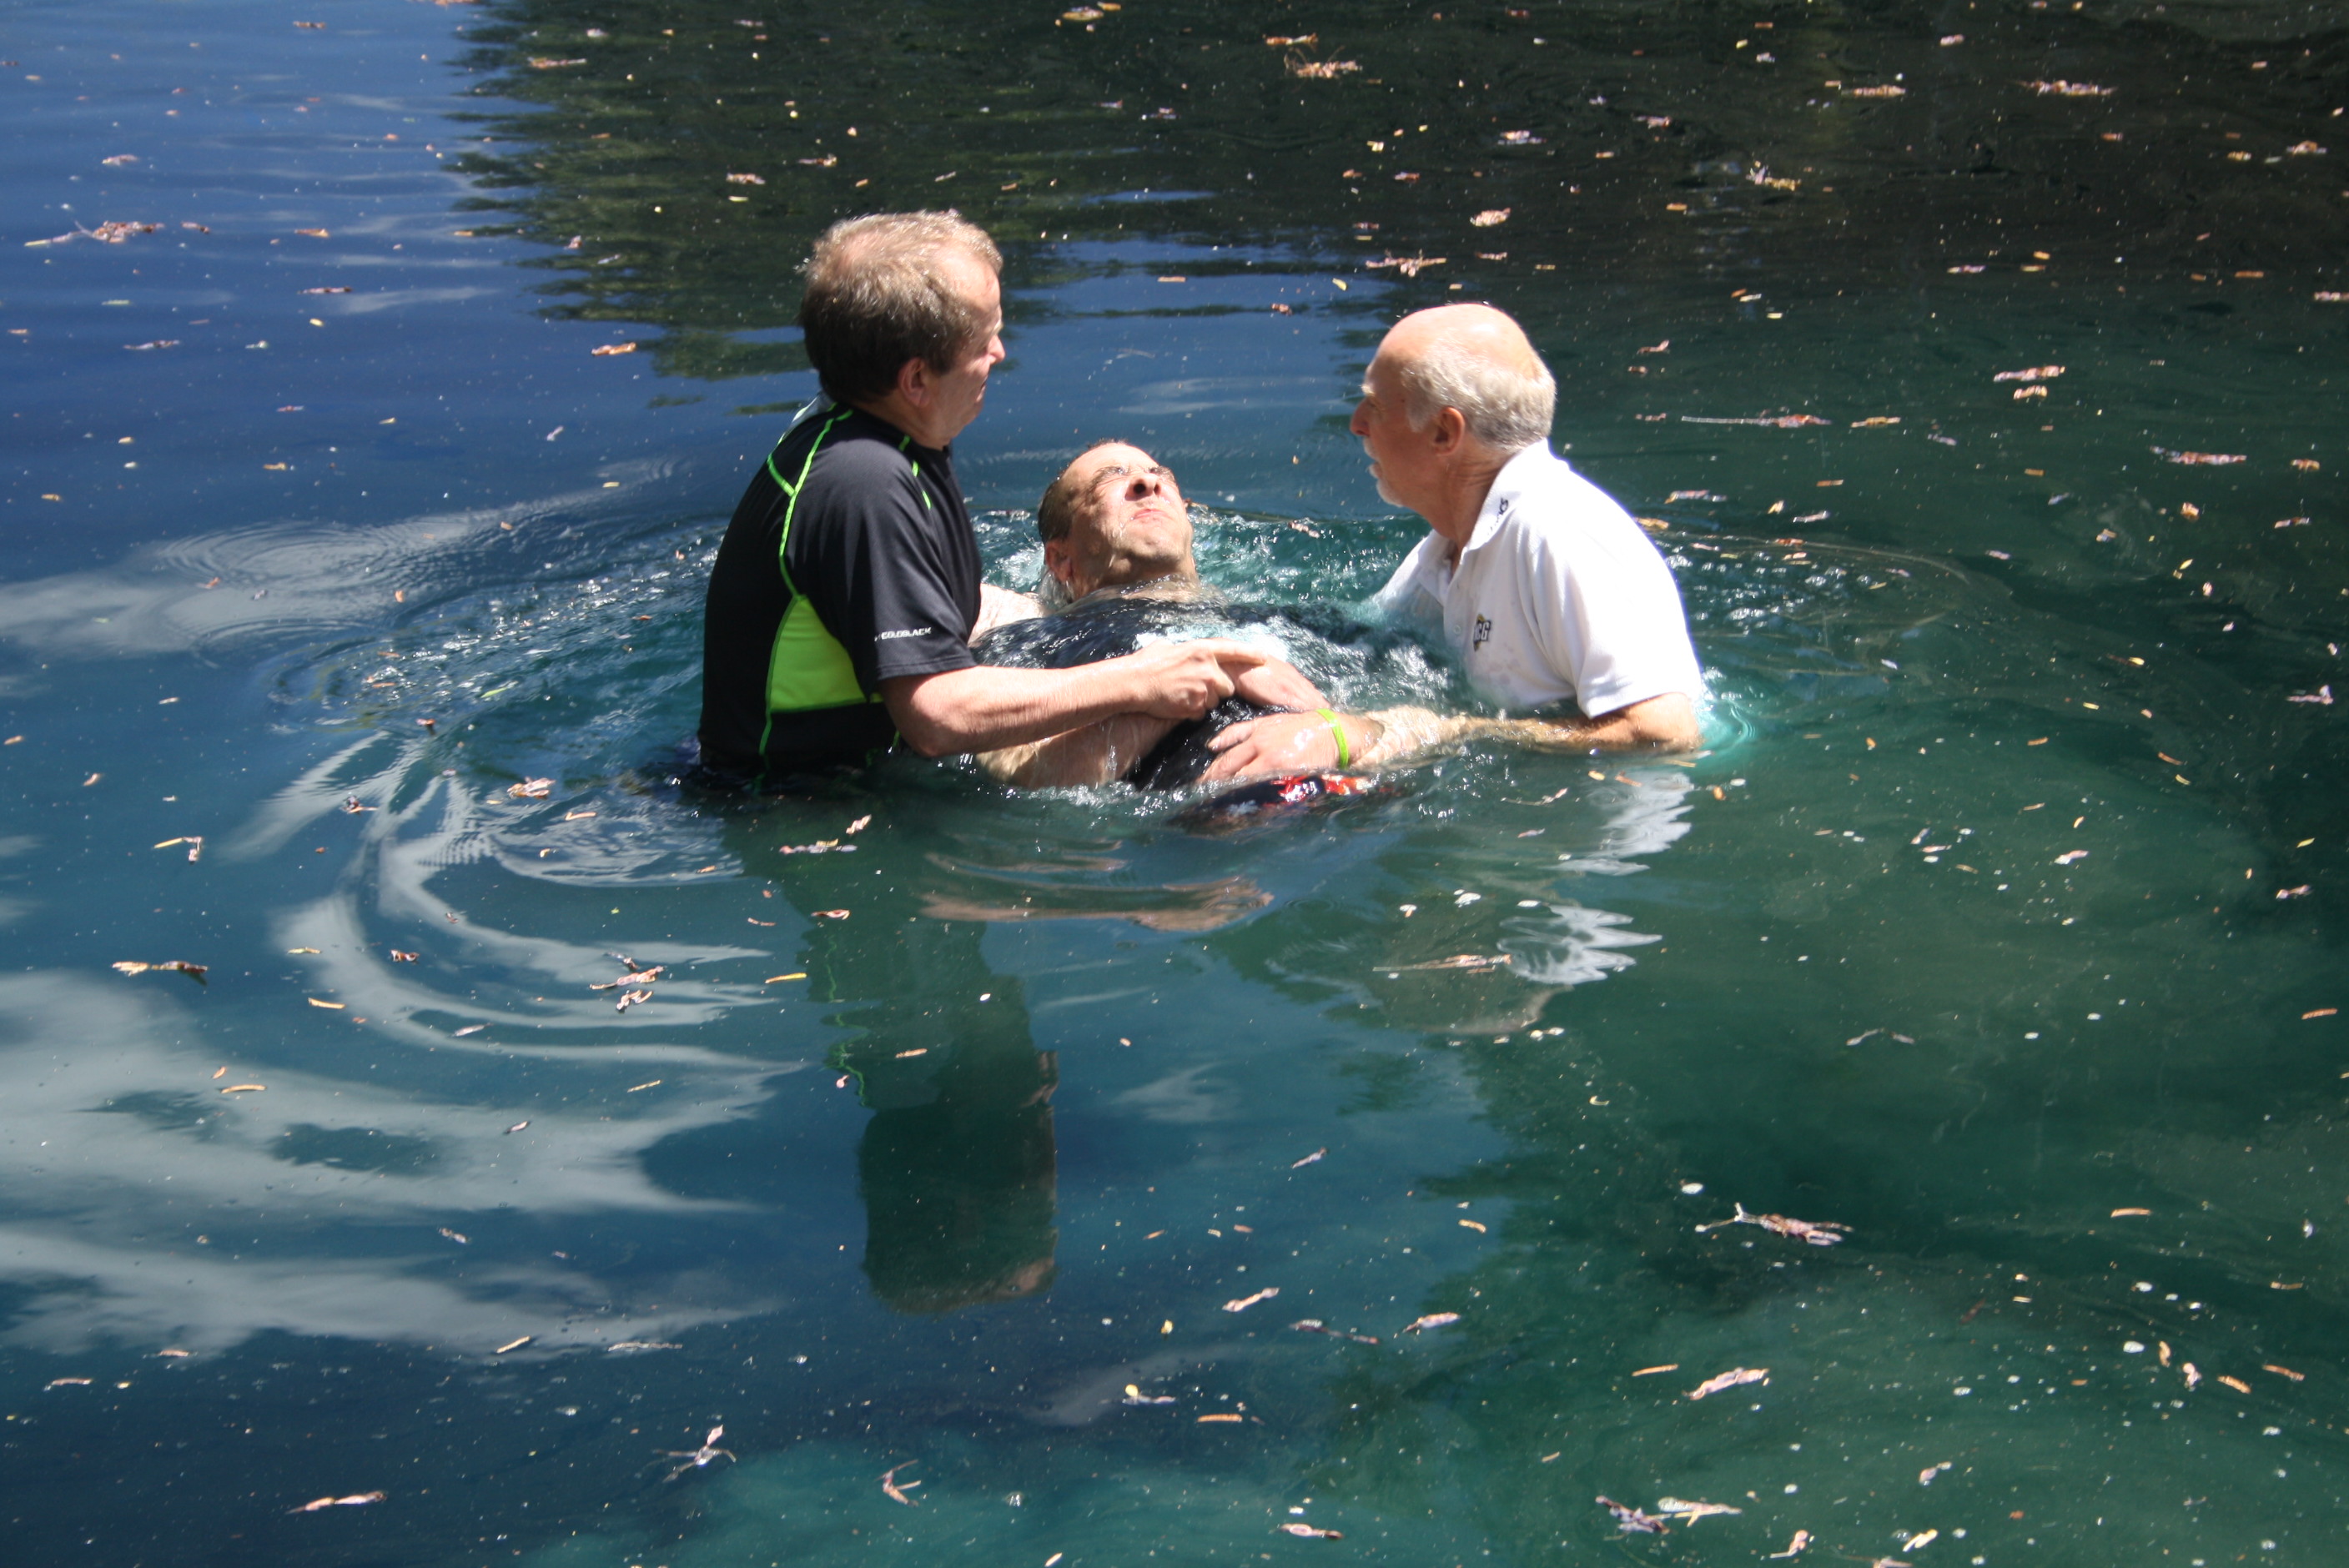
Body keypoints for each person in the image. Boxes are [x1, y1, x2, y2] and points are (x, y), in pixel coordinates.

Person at [693, 212, 1304, 790]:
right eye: (984, 338)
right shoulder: (863, 485)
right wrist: (1148, 677)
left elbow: (911, 602)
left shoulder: (875, 431)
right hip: (796, 804)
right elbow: (936, 714)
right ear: (916, 380)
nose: (999, 353)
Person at [1200, 304, 1704, 781]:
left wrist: (1433, 732)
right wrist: (1221, 647)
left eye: (1376, 404)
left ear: (1444, 432)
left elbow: (1663, 730)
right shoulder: (1449, 545)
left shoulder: (1558, 529)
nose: (1357, 423)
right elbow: (1354, 644)